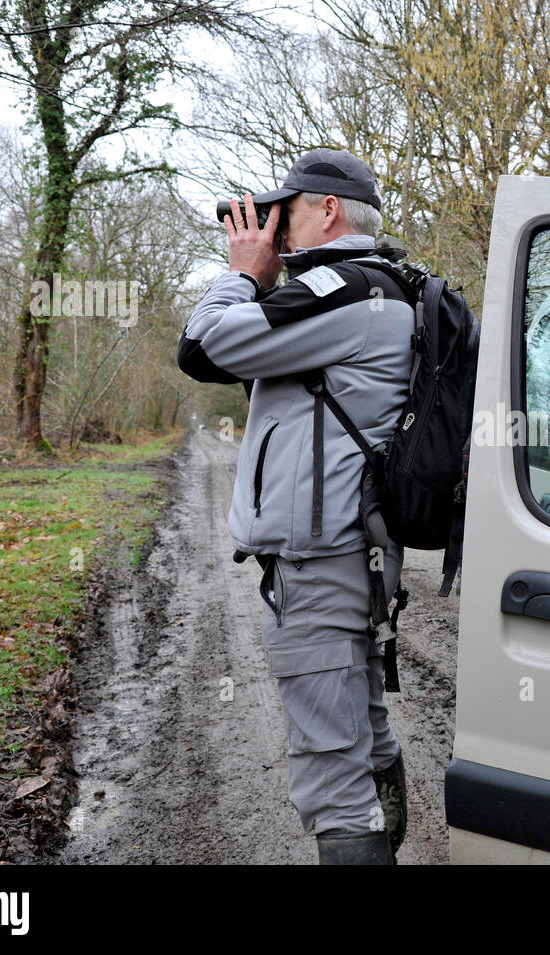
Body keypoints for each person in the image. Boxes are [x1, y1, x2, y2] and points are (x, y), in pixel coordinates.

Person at [177, 149, 412, 865]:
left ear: (328, 210)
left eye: (289, 209)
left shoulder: (345, 290)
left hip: (320, 567)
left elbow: (202, 345)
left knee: (330, 774)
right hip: (354, 556)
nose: (275, 226)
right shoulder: (381, 288)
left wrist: (244, 273)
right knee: (363, 737)